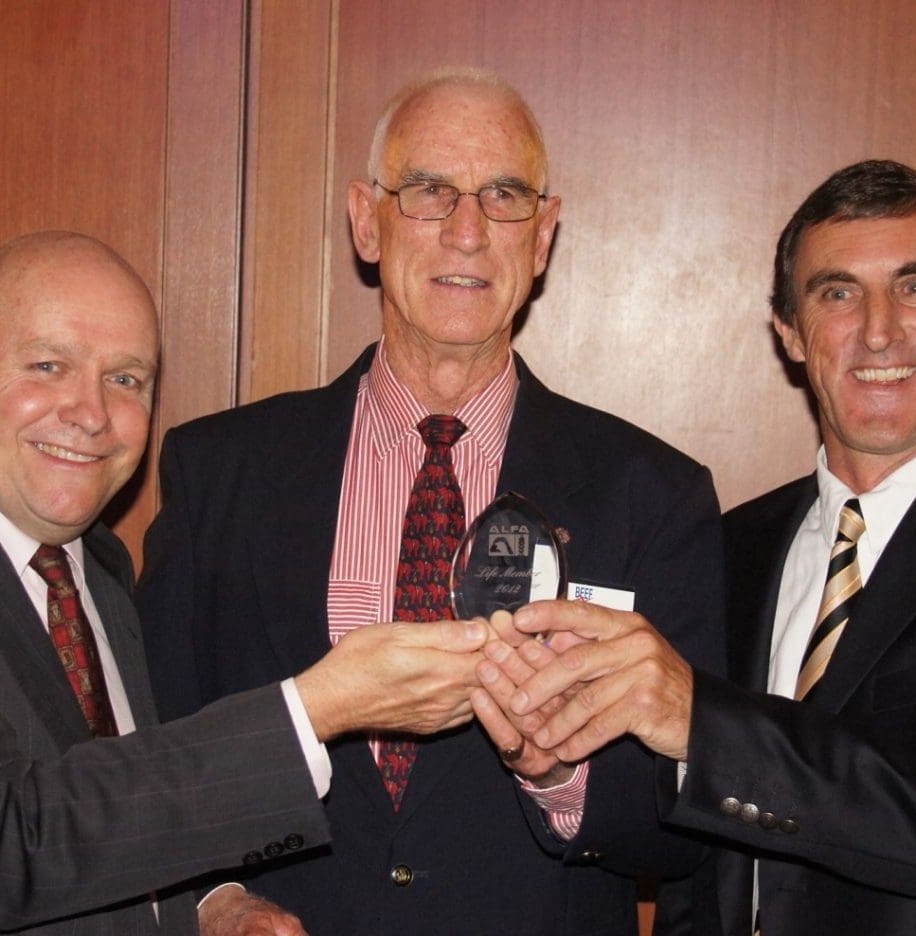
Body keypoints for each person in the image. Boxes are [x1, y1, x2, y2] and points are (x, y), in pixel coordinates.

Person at [136, 68, 725, 935]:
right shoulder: (216, 471)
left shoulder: (655, 496)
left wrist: (557, 772)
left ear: (545, 235)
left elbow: (681, 837)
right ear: (366, 221)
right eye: (428, 191)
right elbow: (149, 754)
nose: (467, 231)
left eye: (504, 195)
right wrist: (212, 899)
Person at [0, 229, 489, 936]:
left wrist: (208, 903)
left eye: (126, 379)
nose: (91, 413)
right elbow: (19, 840)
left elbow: (109, 823)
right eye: (48, 366)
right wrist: (315, 708)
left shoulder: (98, 572)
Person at [498, 159, 916, 935]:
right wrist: (564, 763)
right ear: (790, 333)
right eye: (838, 292)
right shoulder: (731, 545)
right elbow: (695, 857)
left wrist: (701, 722)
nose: (879, 330)